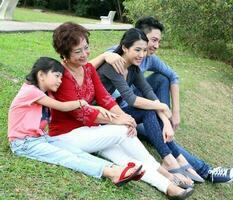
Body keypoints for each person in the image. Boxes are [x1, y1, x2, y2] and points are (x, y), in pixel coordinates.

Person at [49, 22, 194, 199]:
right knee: (123, 131)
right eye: (78, 51)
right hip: (67, 136)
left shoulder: (88, 69)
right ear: (64, 53)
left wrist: (125, 117)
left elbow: (105, 99)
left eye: (86, 48)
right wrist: (119, 121)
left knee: (125, 158)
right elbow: (81, 113)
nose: (85, 54)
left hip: (92, 132)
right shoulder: (61, 75)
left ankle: (168, 187)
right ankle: (167, 173)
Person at [95, 16, 233, 184]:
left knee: (162, 81)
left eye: (158, 41)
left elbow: (163, 82)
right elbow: (129, 97)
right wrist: (105, 55)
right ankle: (201, 169)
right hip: (111, 111)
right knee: (153, 125)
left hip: (126, 107)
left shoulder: (138, 63)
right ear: (135, 40)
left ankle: (173, 154)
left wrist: (167, 117)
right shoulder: (117, 57)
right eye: (153, 40)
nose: (154, 46)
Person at [7, 56, 145, 187]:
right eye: (56, 76)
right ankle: (111, 173)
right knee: (65, 157)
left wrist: (90, 105)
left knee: (75, 151)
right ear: (41, 75)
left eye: (61, 77)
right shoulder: (30, 91)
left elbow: (85, 70)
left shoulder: (45, 93)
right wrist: (88, 105)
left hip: (41, 138)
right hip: (23, 143)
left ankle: (115, 168)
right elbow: (63, 106)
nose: (60, 81)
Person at [98, 28, 205, 184]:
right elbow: (132, 98)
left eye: (143, 50)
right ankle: (173, 161)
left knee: (149, 110)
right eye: (137, 50)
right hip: (98, 116)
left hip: (115, 112)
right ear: (125, 48)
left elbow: (148, 92)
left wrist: (166, 120)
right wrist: (162, 106)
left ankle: (172, 160)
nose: (142, 55)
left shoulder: (133, 68)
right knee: (147, 108)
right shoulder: (113, 66)